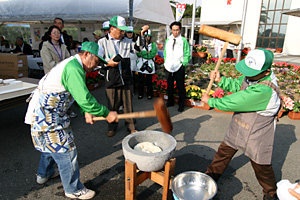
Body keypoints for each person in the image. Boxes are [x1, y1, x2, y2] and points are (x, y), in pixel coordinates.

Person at [24, 42, 118, 200]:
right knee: (66, 151)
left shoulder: (73, 64)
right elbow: (85, 99)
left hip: (48, 111)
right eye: (96, 61)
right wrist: (106, 113)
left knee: (49, 145)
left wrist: (85, 111)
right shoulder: (74, 68)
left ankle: (44, 173)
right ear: (87, 54)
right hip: (48, 115)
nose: (96, 66)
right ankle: (72, 189)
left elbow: (75, 94)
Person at [201, 49, 281, 200]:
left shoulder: (264, 89)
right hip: (240, 124)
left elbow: (236, 101)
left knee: (261, 166)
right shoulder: (253, 76)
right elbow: (238, 86)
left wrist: (210, 101)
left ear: (266, 71)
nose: (248, 75)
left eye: (251, 72)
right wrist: (221, 80)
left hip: (257, 132)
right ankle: (209, 178)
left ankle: (270, 193)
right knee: (223, 153)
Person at [98, 15, 149, 137]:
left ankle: (131, 126)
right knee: (112, 106)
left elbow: (138, 49)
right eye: (120, 30)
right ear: (111, 28)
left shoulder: (127, 41)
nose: (123, 33)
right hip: (111, 78)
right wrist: (107, 63)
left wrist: (141, 35)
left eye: (123, 30)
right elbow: (97, 60)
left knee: (128, 105)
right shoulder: (102, 42)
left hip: (126, 77)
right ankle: (112, 127)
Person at [164, 21, 191, 112]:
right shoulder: (168, 39)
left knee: (180, 86)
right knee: (169, 85)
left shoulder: (183, 40)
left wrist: (184, 62)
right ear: (171, 30)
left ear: (180, 30)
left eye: (177, 30)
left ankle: (181, 104)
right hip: (169, 66)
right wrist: (165, 62)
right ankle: (170, 101)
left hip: (179, 66)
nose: (175, 32)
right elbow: (165, 52)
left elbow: (187, 53)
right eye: (174, 30)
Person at [136, 30, 157, 99]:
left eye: (148, 36)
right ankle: (140, 93)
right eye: (145, 36)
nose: (147, 38)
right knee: (140, 81)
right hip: (141, 65)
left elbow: (152, 54)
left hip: (149, 65)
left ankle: (149, 94)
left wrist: (143, 53)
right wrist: (146, 52)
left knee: (149, 81)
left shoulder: (153, 44)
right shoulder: (140, 44)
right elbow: (138, 53)